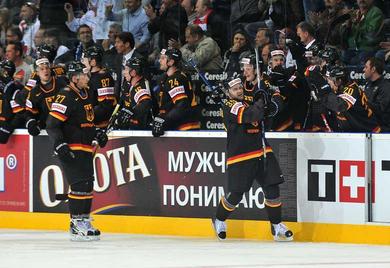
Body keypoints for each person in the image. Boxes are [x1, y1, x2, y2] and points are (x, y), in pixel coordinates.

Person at [211, 75, 293, 242]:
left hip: (262, 151)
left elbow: (271, 113)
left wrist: (272, 99)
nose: (239, 91)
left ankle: (276, 226)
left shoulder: (247, 102)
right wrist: (261, 102)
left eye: (240, 87)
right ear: (228, 93)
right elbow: (251, 116)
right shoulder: (229, 105)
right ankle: (219, 219)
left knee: (272, 189)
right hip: (241, 155)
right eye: (235, 89)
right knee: (236, 194)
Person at [46, 61, 108, 241]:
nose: (87, 77)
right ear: (74, 78)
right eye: (84, 75)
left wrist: (97, 132)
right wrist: (59, 144)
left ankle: (84, 220)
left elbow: (86, 121)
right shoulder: (65, 96)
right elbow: (52, 124)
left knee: (88, 185)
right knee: (79, 185)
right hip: (71, 147)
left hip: (86, 147)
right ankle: (75, 223)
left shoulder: (86, 93)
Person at [306, 64, 381, 132]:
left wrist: (323, 91)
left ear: (339, 81)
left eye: (330, 80)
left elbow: (340, 105)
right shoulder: (336, 91)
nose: (328, 83)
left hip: (371, 133)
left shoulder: (351, 89)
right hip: (354, 133)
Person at [152, 48, 200, 137]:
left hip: (185, 126)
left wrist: (165, 121)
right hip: (179, 124)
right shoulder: (167, 78)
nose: (159, 60)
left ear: (171, 62)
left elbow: (181, 104)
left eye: (163, 58)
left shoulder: (175, 78)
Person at [23, 57, 68, 136]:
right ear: (36, 72)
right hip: (48, 127)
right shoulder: (34, 92)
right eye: (42, 69)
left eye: (47, 68)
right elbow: (29, 112)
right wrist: (31, 122)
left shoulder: (62, 83)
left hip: (67, 124)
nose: (45, 71)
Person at [82, 45, 116, 128]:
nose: (83, 62)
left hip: (100, 125)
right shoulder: (88, 76)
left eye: (85, 60)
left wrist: (86, 117)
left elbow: (105, 106)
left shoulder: (103, 77)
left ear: (93, 62)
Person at [115, 57, 153, 130]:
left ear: (133, 72)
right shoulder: (128, 85)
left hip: (142, 130)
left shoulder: (141, 86)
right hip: (133, 128)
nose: (124, 72)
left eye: (126, 69)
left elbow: (145, 102)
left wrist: (131, 112)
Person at [363, 57, 390, 132]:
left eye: (366, 67)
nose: (363, 70)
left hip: (383, 130)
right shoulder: (368, 85)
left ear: (373, 69)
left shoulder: (386, 87)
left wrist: (364, 102)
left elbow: (381, 110)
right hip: (370, 126)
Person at [0, 59, 24, 143]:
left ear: (5, 72)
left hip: (5, 125)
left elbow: (20, 113)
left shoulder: (15, 88)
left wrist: (8, 126)